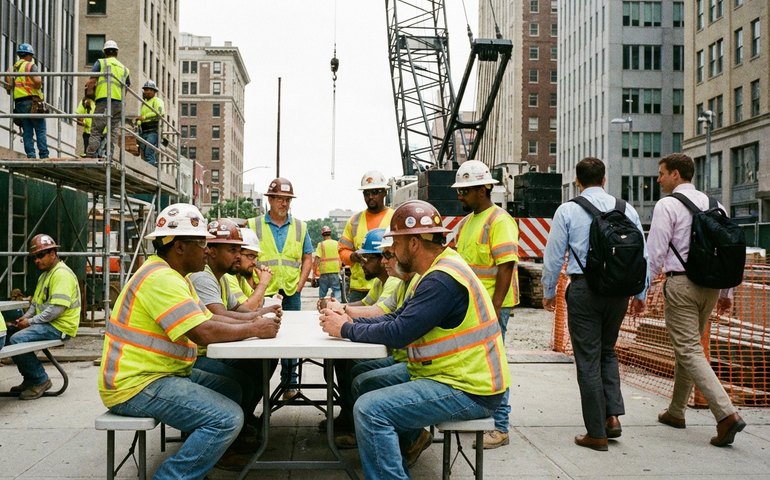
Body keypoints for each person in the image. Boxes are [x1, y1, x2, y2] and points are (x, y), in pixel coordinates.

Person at [320, 200, 510, 478]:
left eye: (395, 244)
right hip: (450, 376)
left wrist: (345, 329)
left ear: (413, 243)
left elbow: (399, 333)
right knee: (367, 383)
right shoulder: (434, 271)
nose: (391, 253)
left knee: (370, 410)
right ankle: (404, 445)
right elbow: (397, 318)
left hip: (468, 389)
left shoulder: (440, 280)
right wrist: (349, 323)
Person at [98, 203, 281, 477]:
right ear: (179, 247)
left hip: (162, 373)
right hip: (137, 384)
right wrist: (254, 328)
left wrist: (254, 322)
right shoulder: (161, 279)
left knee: (232, 387)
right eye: (201, 243)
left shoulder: (175, 276)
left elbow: (209, 317)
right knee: (227, 419)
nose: (207, 250)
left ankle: (209, 453)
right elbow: (203, 332)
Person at [541, 157, 648, 451]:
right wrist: (641, 294)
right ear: (604, 179)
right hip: (619, 292)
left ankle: (596, 433)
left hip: (584, 290)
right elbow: (642, 254)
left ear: (577, 181)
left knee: (588, 359)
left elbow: (554, 256)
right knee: (607, 351)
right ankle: (612, 417)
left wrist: (548, 291)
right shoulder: (626, 209)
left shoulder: (567, 210)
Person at [647, 153, 746, 447]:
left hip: (681, 285)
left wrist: (643, 290)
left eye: (662, 173)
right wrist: (727, 292)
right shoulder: (716, 205)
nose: (659, 179)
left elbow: (655, 251)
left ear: (676, 174)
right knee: (688, 348)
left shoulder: (667, 205)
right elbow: (728, 251)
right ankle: (676, 411)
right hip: (711, 288)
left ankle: (726, 414)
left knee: (689, 349)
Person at [452, 160, 520, 449]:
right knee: (477, 364)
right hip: (474, 307)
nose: (460, 196)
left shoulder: (499, 220)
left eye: (465, 191)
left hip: (492, 307)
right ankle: (486, 418)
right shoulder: (467, 222)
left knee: (494, 364)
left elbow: (506, 266)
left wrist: (494, 306)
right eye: (459, 191)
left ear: (483, 189)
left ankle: (500, 426)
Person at [247, 178, 313, 400]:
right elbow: (245, 255)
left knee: (292, 338)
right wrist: (254, 285)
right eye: (279, 199)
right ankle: (258, 387)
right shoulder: (253, 225)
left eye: (287, 199)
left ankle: (290, 384)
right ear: (270, 199)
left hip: (291, 291)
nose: (284, 203)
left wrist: (300, 284)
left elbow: (307, 256)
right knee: (261, 335)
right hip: (264, 291)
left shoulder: (300, 227)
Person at [7, 234, 80, 400]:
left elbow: (56, 309)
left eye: (40, 255)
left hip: (60, 326)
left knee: (17, 340)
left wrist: (30, 322)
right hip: (49, 323)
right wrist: (24, 319)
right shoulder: (45, 275)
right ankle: (30, 379)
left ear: (53, 254)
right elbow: (35, 304)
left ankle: (39, 380)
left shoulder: (61, 274)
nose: (37, 260)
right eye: (34, 257)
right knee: (10, 333)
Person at [339, 170, 394, 302]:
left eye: (375, 192)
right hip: (360, 287)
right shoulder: (354, 221)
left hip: (388, 285)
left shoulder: (395, 217)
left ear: (384, 192)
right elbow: (342, 250)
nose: (370, 197)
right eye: (366, 193)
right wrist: (352, 257)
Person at [85, 40, 130, 158]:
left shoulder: (100, 62)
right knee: (113, 131)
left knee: (96, 130)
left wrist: (89, 95)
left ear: (104, 52)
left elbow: (91, 81)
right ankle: (108, 155)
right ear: (117, 52)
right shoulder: (124, 68)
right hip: (118, 103)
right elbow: (126, 87)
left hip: (103, 100)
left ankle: (91, 154)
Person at [5, 43, 49, 159]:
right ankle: (44, 155)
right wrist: (37, 86)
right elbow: (37, 81)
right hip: (32, 101)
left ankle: (31, 155)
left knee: (27, 130)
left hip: (19, 103)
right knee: (40, 129)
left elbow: (8, 87)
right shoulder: (30, 65)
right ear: (29, 55)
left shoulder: (12, 68)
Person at [136, 80, 164, 166]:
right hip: (143, 131)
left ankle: (150, 169)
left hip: (153, 131)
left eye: (148, 90)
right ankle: (146, 167)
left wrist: (144, 117)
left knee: (149, 152)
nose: (145, 92)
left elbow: (160, 113)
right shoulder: (144, 103)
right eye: (145, 90)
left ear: (153, 91)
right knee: (143, 152)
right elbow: (142, 116)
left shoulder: (157, 101)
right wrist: (138, 122)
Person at [315, 225, 341, 300]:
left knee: (322, 292)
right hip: (335, 271)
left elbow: (317, 259)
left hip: (324, 272)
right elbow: (341, 256)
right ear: (330, 233)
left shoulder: (321, 244)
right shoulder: (337, 243)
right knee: (336, 290)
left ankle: (321, 304)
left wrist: (314, 272)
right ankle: (338, 304)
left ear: (322, 234)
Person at [75, 91, 95, 156]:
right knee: (89, 155)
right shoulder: (85, 101)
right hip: (88, 134)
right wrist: (85, 123)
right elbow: (78, 116)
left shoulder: (100, 102)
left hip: (101, 134)